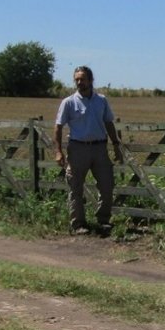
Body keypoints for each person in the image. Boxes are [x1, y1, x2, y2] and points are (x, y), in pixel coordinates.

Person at [53, 66, 123, 235]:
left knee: (106, 185)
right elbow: (58, 127)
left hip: (100, 148)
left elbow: (108, 123)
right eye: (76, 79)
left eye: (82, 79)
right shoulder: (69, 102)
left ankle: (103, 220)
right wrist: (58, 151)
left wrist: (115, 145)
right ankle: (78, 224)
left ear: (91, 80)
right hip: (77, 149)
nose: (79, 82)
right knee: (75, 187)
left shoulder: (101, 100)